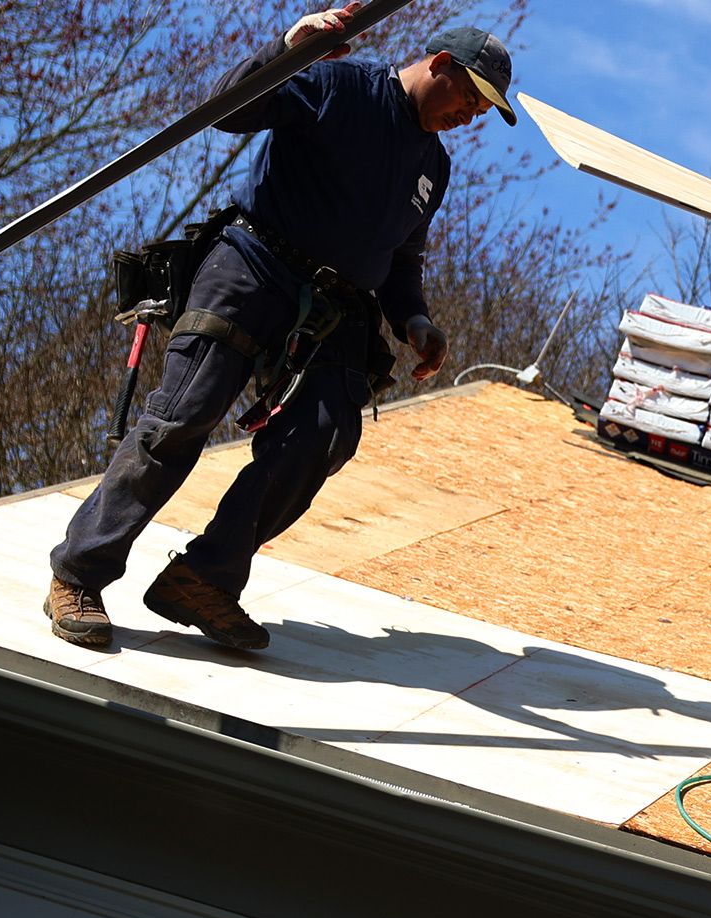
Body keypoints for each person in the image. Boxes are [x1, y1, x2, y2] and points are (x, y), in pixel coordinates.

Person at [43, 5, 515, 650]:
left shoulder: (434, 165)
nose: (472, 116)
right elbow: (227, 111)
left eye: (483, 109)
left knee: (322, 438)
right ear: (438, 65)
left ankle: (204, 579)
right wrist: (286, 53)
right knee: (184, 416)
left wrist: (413, 316)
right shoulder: (339, 86)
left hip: (336, 308)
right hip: (254, 267)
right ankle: (79, 573)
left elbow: (402, 256)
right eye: (471, 97)